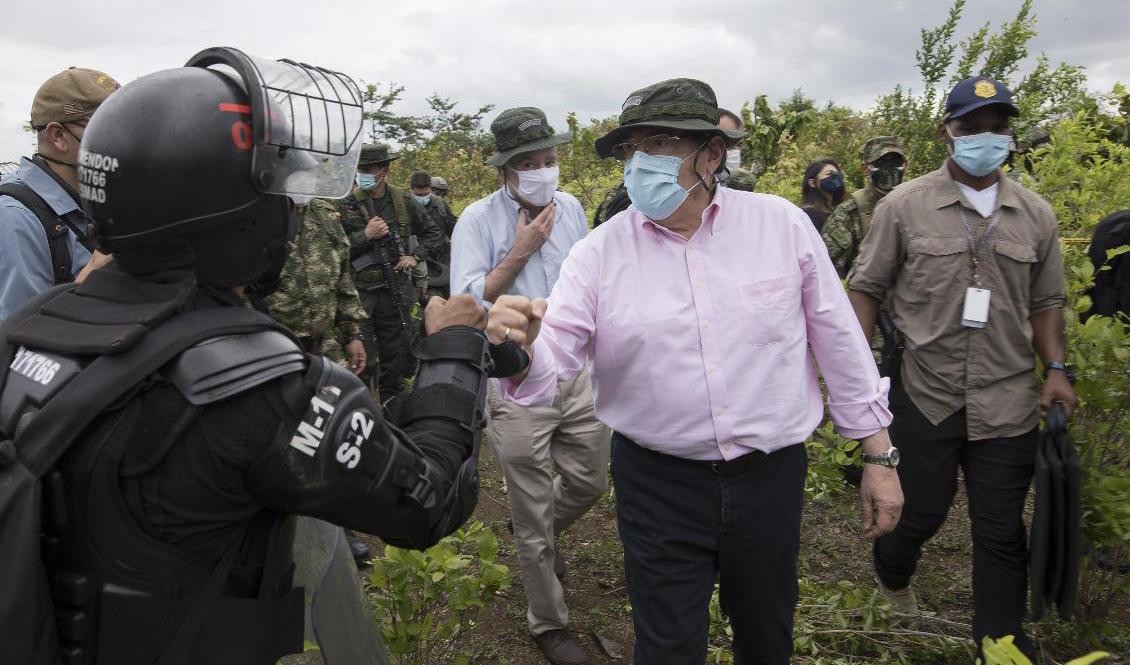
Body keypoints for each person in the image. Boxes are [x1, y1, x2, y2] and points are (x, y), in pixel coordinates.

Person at [0, 47, 489, 665]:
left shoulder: (32, 327)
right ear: (243, 217)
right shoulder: (262, 388)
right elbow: (430, 500)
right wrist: (452, 347)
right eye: (281, 197)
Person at [487, 78, 903, 665]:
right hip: (658, 483)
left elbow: (839, 341)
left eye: (660, 143)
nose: (640, 162)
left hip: (770, 478)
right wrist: (522, 349)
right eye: (632, 148)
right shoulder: (599, 254)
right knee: (667, 646)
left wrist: (878, 455)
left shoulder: (780, 227)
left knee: (766, 636)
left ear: (712, 155)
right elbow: (554, 357)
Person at [846, 76, 1076, 659]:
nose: (984, 138)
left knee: (1001, 531)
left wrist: (1056, 368)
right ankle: (893, 572)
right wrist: (858, 379)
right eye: (971, 127)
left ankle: (1000, 646)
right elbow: (865, 289)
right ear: (946, 132)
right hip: (926, 390)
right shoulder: (903, 207)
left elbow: (1047, 303)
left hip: (1006, 398)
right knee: (919, 513)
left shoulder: (1036, 215)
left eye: (997, 127)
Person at [450, 106, 611, 665]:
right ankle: (549, 622)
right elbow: (466, 306)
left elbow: (590, 282)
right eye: (529, 163)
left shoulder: (572, 209)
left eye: (549, 158)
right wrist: (519, 251)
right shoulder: (476, 220)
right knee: (531, 511)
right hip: (514, 378)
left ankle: (536, 534)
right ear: (505, 169)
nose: (543, 170)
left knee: (590, 481)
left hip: (576, 372)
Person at [263, 196, 372, 566]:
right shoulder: (255, 212)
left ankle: (341, 528)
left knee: (336, 434)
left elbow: (344, 279)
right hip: (273, 351)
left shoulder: (325, 214)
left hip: (325, 349)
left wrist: (352, 333)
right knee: (282, 443)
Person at [0, 67, 119, 320]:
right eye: (109, 126)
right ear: (59, 136)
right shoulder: (16, 217)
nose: (125, 139)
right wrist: (92, 278)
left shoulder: (98, 199)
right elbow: (17, 336)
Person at [338, 144, 443, 399]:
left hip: (394, 288)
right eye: (360, 169)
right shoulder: (346, 204)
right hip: (359, 292)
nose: (362, 174)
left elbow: (433, 232)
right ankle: (363, 403)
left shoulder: (403, 202)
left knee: (397, 353)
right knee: (361, 355)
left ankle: (391, 403)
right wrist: (365, 235)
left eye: (368, 169)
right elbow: (333, 249)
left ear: (384, 171)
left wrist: (414, 257)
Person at [820, 136, 907, 278]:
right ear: (865, 168)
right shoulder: (846, 216)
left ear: (906, 165)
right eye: (880, 163)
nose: (889, 168)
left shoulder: (917, 206)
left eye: (896, 162)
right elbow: (828, 276)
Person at [410, 171, 457, 298]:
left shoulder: (440, 205)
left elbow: (454, 230)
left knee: (451, 297)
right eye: (419, 195)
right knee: (428, 299)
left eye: (426, 194)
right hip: (420, 262)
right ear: (412, 189)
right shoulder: (406, 206)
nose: (423, 197)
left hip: (444, 260)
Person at [799, 159, 844, 232]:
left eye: (838, 173)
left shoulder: (840, 211)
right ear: (812, 182)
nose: (836, 176)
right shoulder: (807, 215)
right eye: (829, 173)